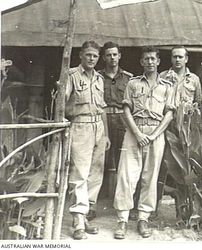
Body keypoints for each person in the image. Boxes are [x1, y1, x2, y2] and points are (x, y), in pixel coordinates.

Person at [113, 46, 175, 239]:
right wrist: (138, 133)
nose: (149, 62)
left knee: (151, 175)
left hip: (156, 133)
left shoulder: (167, 86)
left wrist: (154, 134)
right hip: (134, 132)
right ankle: (122, 219)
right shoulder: (132, 84)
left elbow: (169, 114)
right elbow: (126, 110)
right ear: (141, 62)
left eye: (153, 59)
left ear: (158, 62)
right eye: (146, 59)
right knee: (127, 175)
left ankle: (143, 218)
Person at [65, 40, 111, 240]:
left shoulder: (99, 79)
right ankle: (77, 219)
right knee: (80, 173)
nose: (92, 59)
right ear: (81, 56)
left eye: (95, 56)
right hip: (81, 126)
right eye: (88, 55)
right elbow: (62, 106)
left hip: (98, 128)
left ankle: (85, 215)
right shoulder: (71, 76)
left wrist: (106, 134)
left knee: (95, 174)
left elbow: (102, 108)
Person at [84, 42, 132, 221]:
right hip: (101, 121)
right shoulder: (96, 77)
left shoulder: (128, 78)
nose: (112, 58)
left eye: (115, 54)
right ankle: (91, 205)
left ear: (119, 56)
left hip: (122, 121)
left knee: (124, 163)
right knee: (97, 162)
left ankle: (123, 207)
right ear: (103, 58)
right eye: (108, 55)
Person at [156, 46, 202, 217]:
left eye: (180, 57)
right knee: (161, 166)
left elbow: (199, 104)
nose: (177, 60)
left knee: (184, 168)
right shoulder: (162, 77)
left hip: (186, 130)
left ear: (186, 59)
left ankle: (182, 210)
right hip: (166, 127)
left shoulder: (195, 80)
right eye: (174, 57)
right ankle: (154, 207)